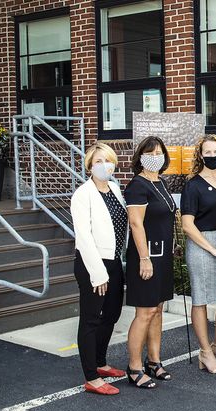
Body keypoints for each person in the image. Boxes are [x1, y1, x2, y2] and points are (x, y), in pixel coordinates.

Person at [70, 142, 127, 395]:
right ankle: (91, 377)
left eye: (108, 160)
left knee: (112, 314)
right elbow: (84, 237)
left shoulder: (114, 188)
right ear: (90, 167)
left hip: (114, 261)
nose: (105, 166)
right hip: (92, 263)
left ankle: (101, 362)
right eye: (98, 162)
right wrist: (98, 273)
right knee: (91, 319)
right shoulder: (83, 194)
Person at [181, 134, 216, 374]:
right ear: (200, 155)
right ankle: (205, 352)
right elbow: (187, 225)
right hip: (201, 244)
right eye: (208, 152)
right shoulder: (192, 185)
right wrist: (213, 248)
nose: (213, 156)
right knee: (201, 299)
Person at [123, 136, 177, 389]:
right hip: (146, 257)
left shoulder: (161, 183)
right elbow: (136, 224)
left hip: (163, 255)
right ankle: (134, 367)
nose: (155, 156)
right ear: (140, 156)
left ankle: (153, 361)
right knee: (144, 312)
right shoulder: (137, 185)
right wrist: (144, 259)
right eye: (150, 152)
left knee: (157, 310)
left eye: (159, 152)